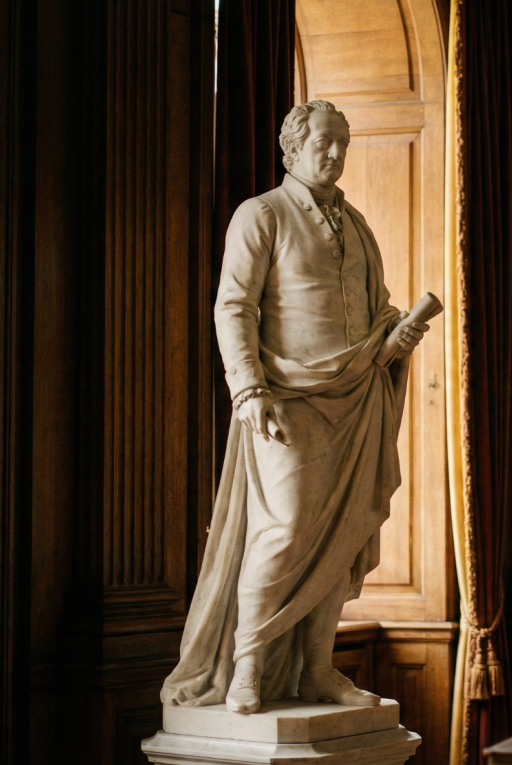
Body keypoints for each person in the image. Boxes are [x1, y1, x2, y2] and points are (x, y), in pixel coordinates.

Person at [160, 100, 428, 714]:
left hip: (357, 396)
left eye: (343, 144)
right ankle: (247, 665)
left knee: (342, 530)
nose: (334, 154)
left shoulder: (357, 224)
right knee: (282, 532)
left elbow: (377, 306)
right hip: (287, 401)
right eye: (324, 143)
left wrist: (395, 336)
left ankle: (314, 666)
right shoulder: (262, 215)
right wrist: (248, 388)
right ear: (293, 146)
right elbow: (235, 306)